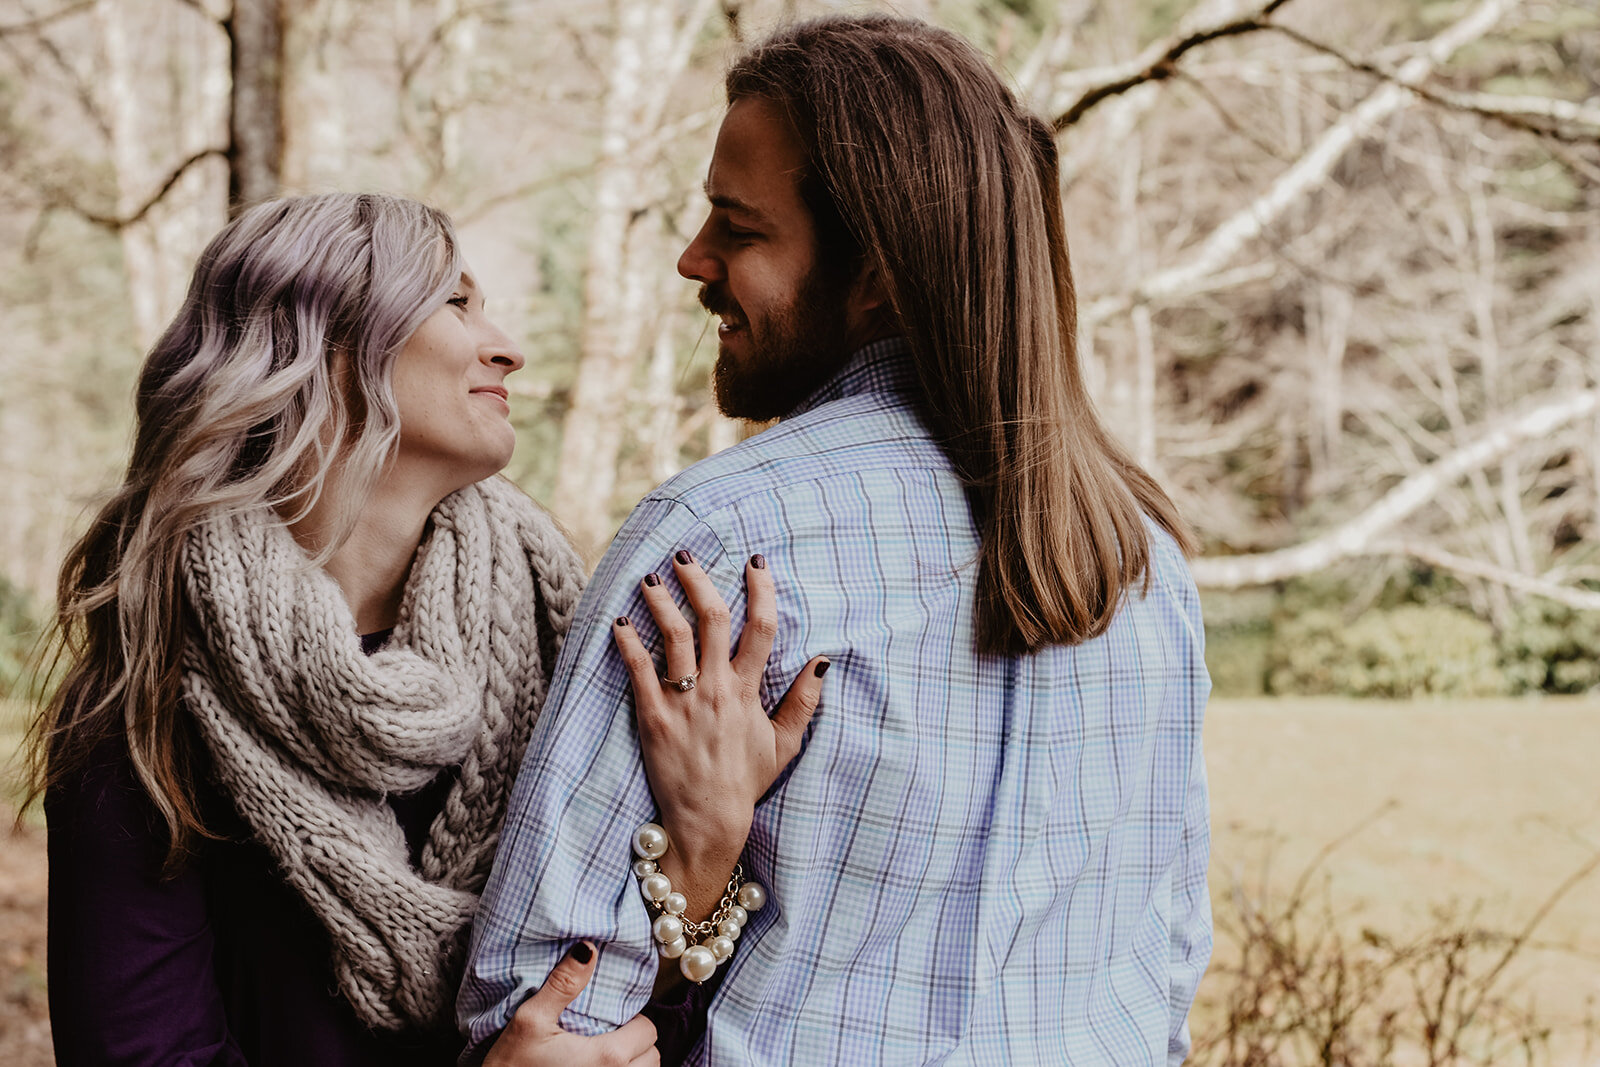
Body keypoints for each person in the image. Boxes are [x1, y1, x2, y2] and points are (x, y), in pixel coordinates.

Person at [461, 14, 1212, 1067]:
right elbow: (1166, 966)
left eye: (739, 227)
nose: (693, 259)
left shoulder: (722, 540)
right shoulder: (1143, 559)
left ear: (876, 274)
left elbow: (549, 1013)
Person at [27, 192, 822, 1067]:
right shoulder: (147, 693)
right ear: (324, 348)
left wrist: (706, 851)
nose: (509, 348)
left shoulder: (569, 638)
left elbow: (667, 1016)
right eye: (456, 301)